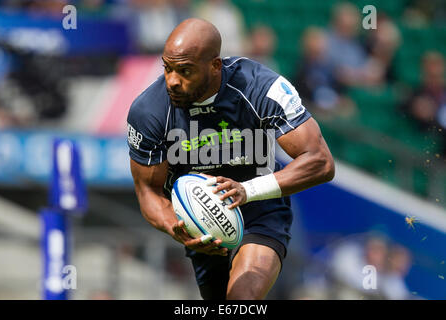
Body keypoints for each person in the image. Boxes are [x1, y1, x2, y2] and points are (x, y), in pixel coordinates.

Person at [127, 18, 335, 300]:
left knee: (242, 297)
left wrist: (246, 191)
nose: (173, 81)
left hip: (261, 209)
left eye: (185, 71)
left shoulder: (261, 87)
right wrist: (174, 227)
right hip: (201, 223)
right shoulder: (148, 111)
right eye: (168, 68)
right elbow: (147, 191)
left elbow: (321, 162)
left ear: (214, 65)